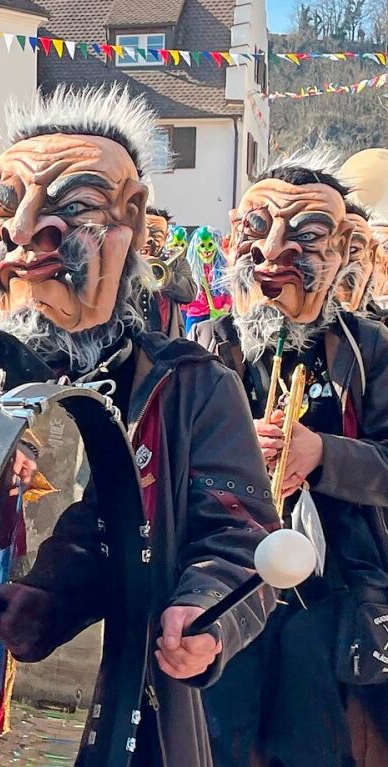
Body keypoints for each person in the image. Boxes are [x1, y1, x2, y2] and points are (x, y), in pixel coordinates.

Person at [0, 85, 278, 767]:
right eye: (6, 206)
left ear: (129, 225)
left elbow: (237, 536)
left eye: (71, 207)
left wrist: (202, 611)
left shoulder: (190, 386)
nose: (25, 234)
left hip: (136, 716)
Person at [190, 151, 388, 767]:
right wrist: (235, 442)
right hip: (225, 590)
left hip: (336, 600)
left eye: (306, 238)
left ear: (343, 253)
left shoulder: (371, 348)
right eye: (256, 229)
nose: (273, 253)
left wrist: (323, 452)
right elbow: (167, 467)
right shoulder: (201, 348)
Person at [138, 207, 195, 337]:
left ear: (166, 237)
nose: (149, 240)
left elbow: (190, 293)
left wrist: (166, 275)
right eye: (144, 233)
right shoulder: (124, 260)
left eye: (156, 235)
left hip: (167, 338)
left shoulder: (176, 262)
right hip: (133, 338)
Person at [183, 225, 231, 334]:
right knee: (193, 346)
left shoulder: (222, 268)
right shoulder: (191, 268)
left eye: (210, 245)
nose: (206, 250)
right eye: (202, 245)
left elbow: (229, 289)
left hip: (218, 314)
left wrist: (226, 306)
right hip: (195, 314)